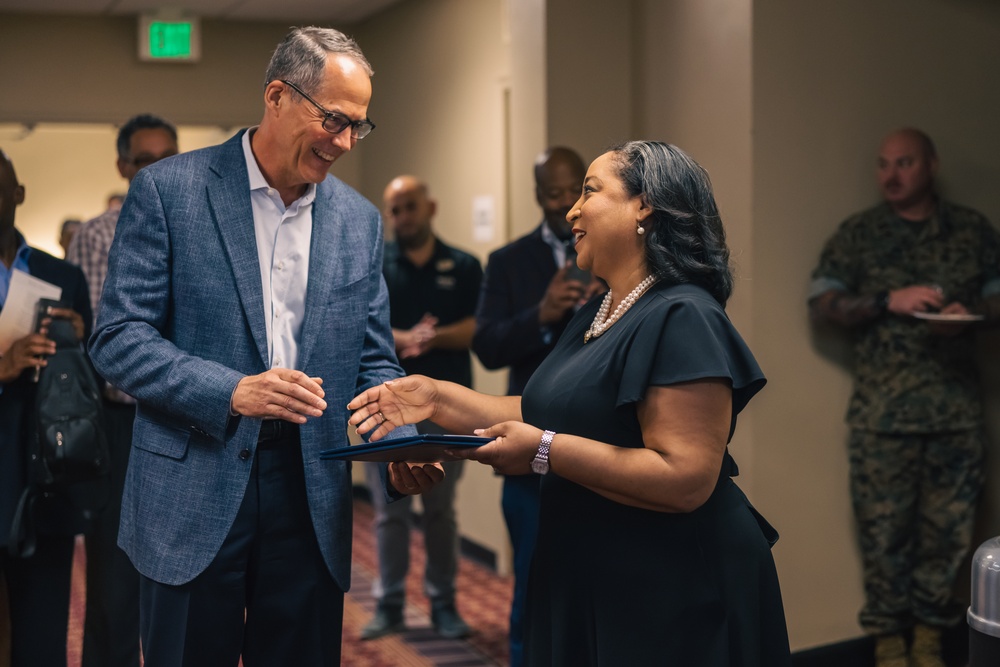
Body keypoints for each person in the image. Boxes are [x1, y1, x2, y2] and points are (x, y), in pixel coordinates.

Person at [351, 140, 793, 666]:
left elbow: (686, 477)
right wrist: (435, 397)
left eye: (589, 190)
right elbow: (544, 410)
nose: (572, 210)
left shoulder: (684, 315)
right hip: (593, 564)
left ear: (644, 206)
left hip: (671, 584)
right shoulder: (599, 310)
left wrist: (544, 451)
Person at [87, 27, 443, 666]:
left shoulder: (358, 221)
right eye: (332, 119)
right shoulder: (170, 192)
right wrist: (231, 390)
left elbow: (371, 358)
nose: (342, 142)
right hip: (192, 482)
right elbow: (117, 338)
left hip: (312, 492)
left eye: (357, 127)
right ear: (277, 95)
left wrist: (394, 444)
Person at [809, 128, 1000, 667]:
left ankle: (933, 639)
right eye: (883, 164)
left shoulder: (971, 231)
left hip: (954, 414)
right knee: (884, 535)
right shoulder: (861, 234)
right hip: (883, 418)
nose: (891, 175)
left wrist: (972, 316)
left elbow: (997, 296)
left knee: (950, 537)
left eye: (905, 163)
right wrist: (885, 300)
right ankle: (890, 642)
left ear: (931, 166)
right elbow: (822, 299)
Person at [470, 145, 599, 666]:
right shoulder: (508, 262)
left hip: (596, 447)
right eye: (553, 194)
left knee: (592, 588)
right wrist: (541, 316)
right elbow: (487, 343)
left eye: (577, 191)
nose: (566, 204)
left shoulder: (610, 256)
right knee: (532, 588)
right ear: (537, 196)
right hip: (528, 454)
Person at [66, 113, 179, 667]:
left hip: (189, 422)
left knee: (182, 576)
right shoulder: (96, 237)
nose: (158, 172)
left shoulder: (200, 227)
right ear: (122, 167)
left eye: (168, 158)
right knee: (114, 581)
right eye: (144, 162)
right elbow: (105, 348)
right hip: (121, 426)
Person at [360, 176, 483, 640]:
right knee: (389, 511)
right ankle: (389, 603)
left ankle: (443, 603)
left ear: (430, 208)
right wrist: (404, 338)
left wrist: (436, 337)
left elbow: (479, 328)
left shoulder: (465, 265)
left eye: (409, 207)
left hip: (450, 411)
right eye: (394, 210)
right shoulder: (377, 266)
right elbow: (360, 326)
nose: (401, 218)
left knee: (440, 511)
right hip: (388, 409)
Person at [0, 149, 93, 667]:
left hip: (47, 468)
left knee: (42, 631)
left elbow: (93, 374)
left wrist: (79, 341)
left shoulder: (63, 277)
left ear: (18, 195)